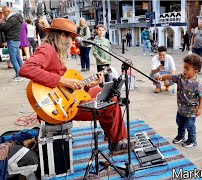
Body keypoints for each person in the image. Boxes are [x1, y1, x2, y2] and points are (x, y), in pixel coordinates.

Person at [19, 18, 135, 155]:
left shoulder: (55, 50)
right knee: (110, 103)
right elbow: (26, 69)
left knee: (102, 91)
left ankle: (112, 131)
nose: (73, 42)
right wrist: (62, 80)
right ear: (62, 35)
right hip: (57, 106)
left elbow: (67, 87)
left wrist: (88, 85)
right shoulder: (47, 49)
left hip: (65, 97)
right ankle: (117, 141)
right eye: (72, 38)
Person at [155, 54, 202, 148]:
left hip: (191, 111)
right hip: (181, 108)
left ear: (195, 71)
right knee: (180, 123)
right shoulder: (180, 77)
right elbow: (171, 76)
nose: (184, 70)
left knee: (190, 126)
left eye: (187, 68)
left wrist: (200, 109)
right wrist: (163, 76)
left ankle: (192, 140)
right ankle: (181, 136)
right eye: (184, 68)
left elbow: (201, 97)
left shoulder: (197, 84)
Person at [0, 6, 24, 82]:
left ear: (8, 11)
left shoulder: (12, 19)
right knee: (17, 57)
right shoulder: (17, 17)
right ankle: (23, 73)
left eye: (3, 12)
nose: (3, 14)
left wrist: (1, 22)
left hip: (12, 40)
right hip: (16, 39)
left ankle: (19, 75)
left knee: (13, 58)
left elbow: (4, 28)